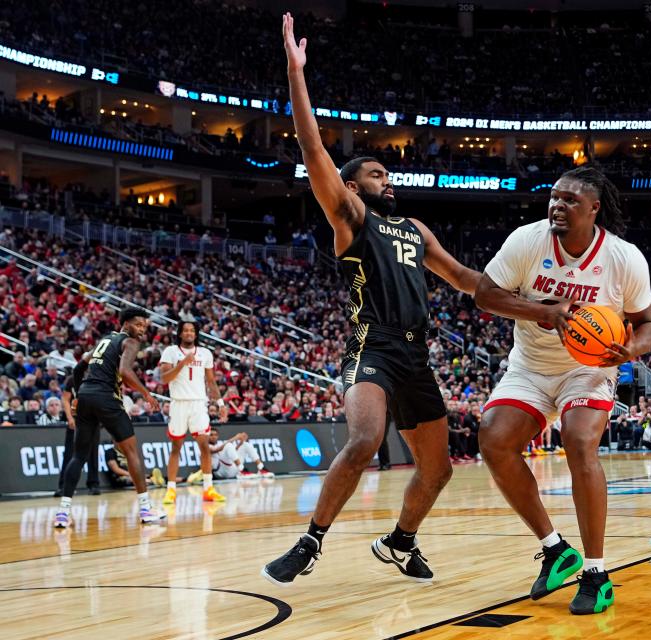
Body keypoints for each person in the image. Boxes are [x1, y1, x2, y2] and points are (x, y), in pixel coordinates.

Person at [262, 13, 480, 587]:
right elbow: (312, 149)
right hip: (373, 345)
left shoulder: (413, 227)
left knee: (437, 470)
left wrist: (533, 301)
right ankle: (311, 540)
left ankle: (401, 541)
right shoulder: (352, 217)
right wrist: (295, 73)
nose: (389, 179)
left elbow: (464, 279)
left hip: (417, 355)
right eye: (378, 173)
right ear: (354, 186)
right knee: (364, 439)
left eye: (389, 173)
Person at [475, 166, 651, 615]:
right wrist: (543, 310)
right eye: (555, 197)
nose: (558, 205)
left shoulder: (623, 257)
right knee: (493, 440)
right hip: (531, 366)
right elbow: (485, 294)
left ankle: (596, 573)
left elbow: (648, 324)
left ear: (594, 209)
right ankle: (556, 549)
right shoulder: (527, 240)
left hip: (589, 369)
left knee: (578, 442)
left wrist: (629, 350)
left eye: (570, 200)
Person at [54, 308, 166, 527]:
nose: (142, 330)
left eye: (144, 326)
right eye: (138, 325)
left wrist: (77, 396)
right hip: (106, 397)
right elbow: (125, 371)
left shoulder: (103, 341)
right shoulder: (130, 342)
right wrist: (146, 393)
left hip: (86, 396)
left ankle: (63, 513)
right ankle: (145, 509)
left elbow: (78, 369)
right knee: (131, 451)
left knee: (79, 456)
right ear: (125, 324)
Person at [159, 321, 228, 505]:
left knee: (204, 447)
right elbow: (164, 378)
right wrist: (182, 363)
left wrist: (220, 403)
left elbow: (211, 382)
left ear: (196, 334)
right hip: (179, 404)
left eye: (192, 330)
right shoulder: (170, 352)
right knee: (176, 448)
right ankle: (171, 490)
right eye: (185, 330)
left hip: (199, 404)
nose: (189, 333)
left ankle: (208, 489)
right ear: (180, 334)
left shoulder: (205, 353)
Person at [55, 360, 101, 496]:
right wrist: (69, 418)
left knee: (93, 453)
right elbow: (65, 399)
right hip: (75, 420)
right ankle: (63, 486)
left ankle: (94, 484)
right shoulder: (72, 380)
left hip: (92, 420)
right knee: (69, 454)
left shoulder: (97, 379)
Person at [204, 427, 274, 480]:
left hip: (231, 469)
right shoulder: (205, 446)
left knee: (245, 444)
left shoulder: (220, 444)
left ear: (218, 436)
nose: (213, 437)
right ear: (207, 436)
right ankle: (242, 471)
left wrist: (241, 443)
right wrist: (236, 437)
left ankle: (261, 468)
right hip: (220, 472)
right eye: (211, 435)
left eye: (215, 435)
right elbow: (217, 449)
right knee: (228, 445)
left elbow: (232, 452)